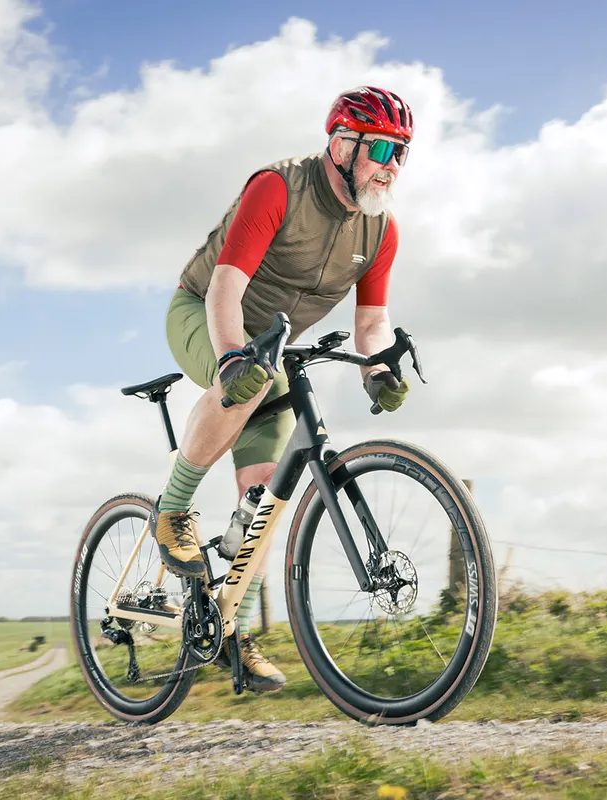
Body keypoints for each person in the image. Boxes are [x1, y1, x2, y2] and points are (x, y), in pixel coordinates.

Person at [156, 86, 415, 693]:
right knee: (248, 385)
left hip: (273, 345)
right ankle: (171, 513)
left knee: (265, 496)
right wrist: (229, 360)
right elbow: (224, 287)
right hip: (204, 311)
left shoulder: (380, 231)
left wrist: (378, 371)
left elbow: (371, 325)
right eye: (382, 147)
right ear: (342, 144)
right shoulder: (278, 188)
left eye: (403, 152)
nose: (393, 165)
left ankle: (230, 630)